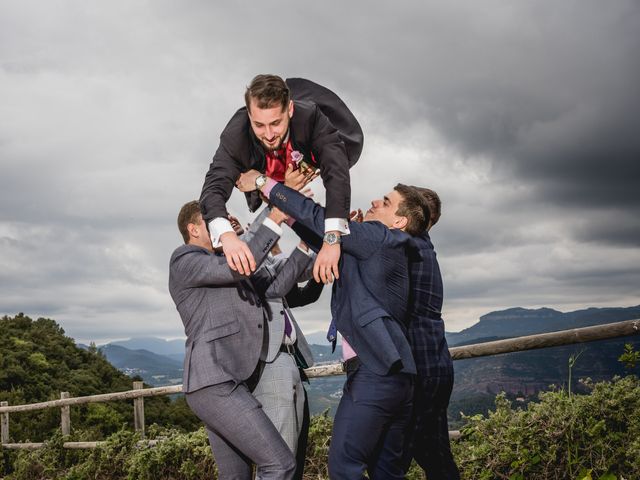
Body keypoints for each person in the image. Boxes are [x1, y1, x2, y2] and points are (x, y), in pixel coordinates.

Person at [237, 169, 429, 479]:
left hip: (375, 374)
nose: (374, 202)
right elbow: (325, 236)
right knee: (387, 473)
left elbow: (321, 218)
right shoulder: (384, 245)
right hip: (400, 377)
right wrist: (289, 218)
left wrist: (265, 184)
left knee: (344, 468)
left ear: (400, 221)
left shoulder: (380, 237)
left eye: (385, 201)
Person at [168, 201, 312, 480]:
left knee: (236, 477)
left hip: (233, 381)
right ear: (193, 229)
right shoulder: (185, 259)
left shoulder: (225, 264)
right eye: (214, 224)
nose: (223, 230)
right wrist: (274, 215)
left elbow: (278, 286)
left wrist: (307, 245)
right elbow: (241, 263)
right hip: (212, 381)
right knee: (280, 464)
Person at [200, 74, 364, 286]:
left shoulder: (310, 117)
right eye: (259, 125)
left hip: (305, 151)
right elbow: (213, 187)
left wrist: (332, 239)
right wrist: (227, 236)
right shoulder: (235, 136)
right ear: (249, 115)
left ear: (290, 110)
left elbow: (336, 173)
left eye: (276, 123)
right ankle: (272, 185)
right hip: (264, 168)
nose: (268, 134)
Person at [239, 206, 316, 479]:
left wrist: (314, 240)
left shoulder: (266, 265)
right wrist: (275, 208)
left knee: (292, 454)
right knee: (279, 458)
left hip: (289, 359)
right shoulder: (236, 265)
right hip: (269, 362)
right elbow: (263, 266)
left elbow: (295, 270)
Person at [401, 187, 460, 479]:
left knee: (397, 453)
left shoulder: (409, 247)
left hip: (422, 369)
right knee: (435, 455)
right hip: (433, 364)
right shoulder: (423, 248)